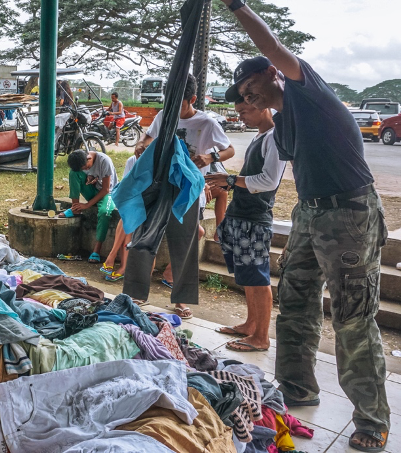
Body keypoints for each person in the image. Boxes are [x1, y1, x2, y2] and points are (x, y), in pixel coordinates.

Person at [220, 1, 389, 451]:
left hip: (349, 212)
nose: (247, 96)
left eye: (252, 85)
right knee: (295, 301)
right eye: (242, 92)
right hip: (311, 213)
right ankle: (297, 388)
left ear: (273, 75)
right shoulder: (281, 127)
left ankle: (372, 419)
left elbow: (271, 45)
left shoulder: (304, 88)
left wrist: (236, 7)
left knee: (353, 317)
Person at [127, 73, 234, 319]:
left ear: (193, 99)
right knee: (143, 235)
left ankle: (181, 300)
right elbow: (148, 136)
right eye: (170, 102)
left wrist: (210, 157)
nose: (173, 108)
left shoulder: (206, 123)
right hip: (159, 186)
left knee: (184, 244)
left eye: (180, 103)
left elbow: (229, 149)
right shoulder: (165, 115)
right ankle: (137, 294)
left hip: (188, 191)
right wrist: (142, 143)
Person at [206, 98, 285, 353]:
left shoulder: (275, 137)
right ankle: (251, 325)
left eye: (244, 111)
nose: (240, 117)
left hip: (255, 220)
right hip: (242, 216)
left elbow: (269, 180)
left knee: (258, 278)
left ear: (263, 106)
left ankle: (261, 336)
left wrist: (230, 178)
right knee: (248, 277)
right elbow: (251, 177)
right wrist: (227, 183)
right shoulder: (259, 136)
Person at [61, 149, 118, 264]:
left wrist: (87, 205)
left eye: (86, 167)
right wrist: (91, 178)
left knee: (104, 212)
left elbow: (106, 189)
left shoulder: (104, 161)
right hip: (93, 190)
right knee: (74, 173)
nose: (86, 170)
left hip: (108, 194)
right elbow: (86, 174)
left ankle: (97, 250)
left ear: (89, 158)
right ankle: (75, 208)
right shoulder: (82, 160)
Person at [101, 154, 137, 281]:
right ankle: (122, 265)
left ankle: (113, 256)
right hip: (135, 200)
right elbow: (126, 185)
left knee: (129, 218)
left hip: (150, 201)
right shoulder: (132, 160)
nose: (140, 153)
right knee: (127, 218)